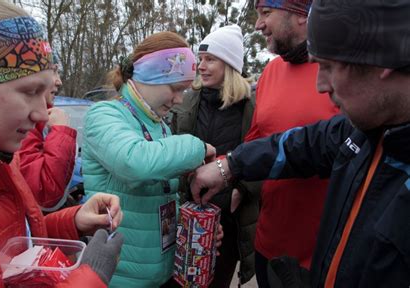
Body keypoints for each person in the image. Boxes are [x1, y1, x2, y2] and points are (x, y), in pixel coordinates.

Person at [190, 0, 410, 286]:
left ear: (379, 58)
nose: (320, 84)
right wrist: (229, 166)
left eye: (329, 67)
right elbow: (301, 145)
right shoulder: (364, 129)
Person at [0, 1, 123, 287]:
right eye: (29, 91)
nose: (40, 114)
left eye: (45, 91)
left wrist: (71, 222)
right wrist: (91, 277)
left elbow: (6, 242)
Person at [81, 31, 218, 287]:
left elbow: (161, 197)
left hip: (160, 273)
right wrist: (196, 147)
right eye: (176, 89)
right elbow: (134, 162)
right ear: (150, 76)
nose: (179, 100)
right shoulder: (104, 115)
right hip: (119, 277)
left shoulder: (160, 126)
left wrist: (194, 226)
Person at [246, 1, 340, 286]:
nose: (258, 24)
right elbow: (255, 140)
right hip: (269, 245)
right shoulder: (271, 72)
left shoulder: (342, 72)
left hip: (323, 257)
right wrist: (234, 182)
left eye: (266, 14)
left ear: (300, 16)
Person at [170, 24, 260, 286]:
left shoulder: (252, 108)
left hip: (228, 224)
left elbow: (263, 157)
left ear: (229, 65)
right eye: (200, 59)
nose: (201, 66)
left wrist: (241, 190)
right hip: (187, 214)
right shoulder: (187, 101)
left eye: (210, 59)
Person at [14, 58, 78, 211]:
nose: (59, 81)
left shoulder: (37, 122)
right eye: (53, 71)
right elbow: (44, 193)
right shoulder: (21, 123)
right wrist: (61, 131)